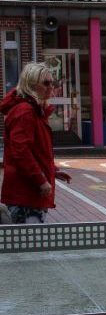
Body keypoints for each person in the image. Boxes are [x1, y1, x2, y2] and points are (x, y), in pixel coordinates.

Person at [1, 62, 72, 223]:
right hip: (25, 194)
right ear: (32, 85)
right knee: (27, 245)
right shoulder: (25, 112)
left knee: (29, 243)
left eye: (52, 82)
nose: (50, 87)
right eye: (46, 83)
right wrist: (41, 180)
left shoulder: (35, 111)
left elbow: (36, 151)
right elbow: (21, 152)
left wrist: (52, 171)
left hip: (29, 193)